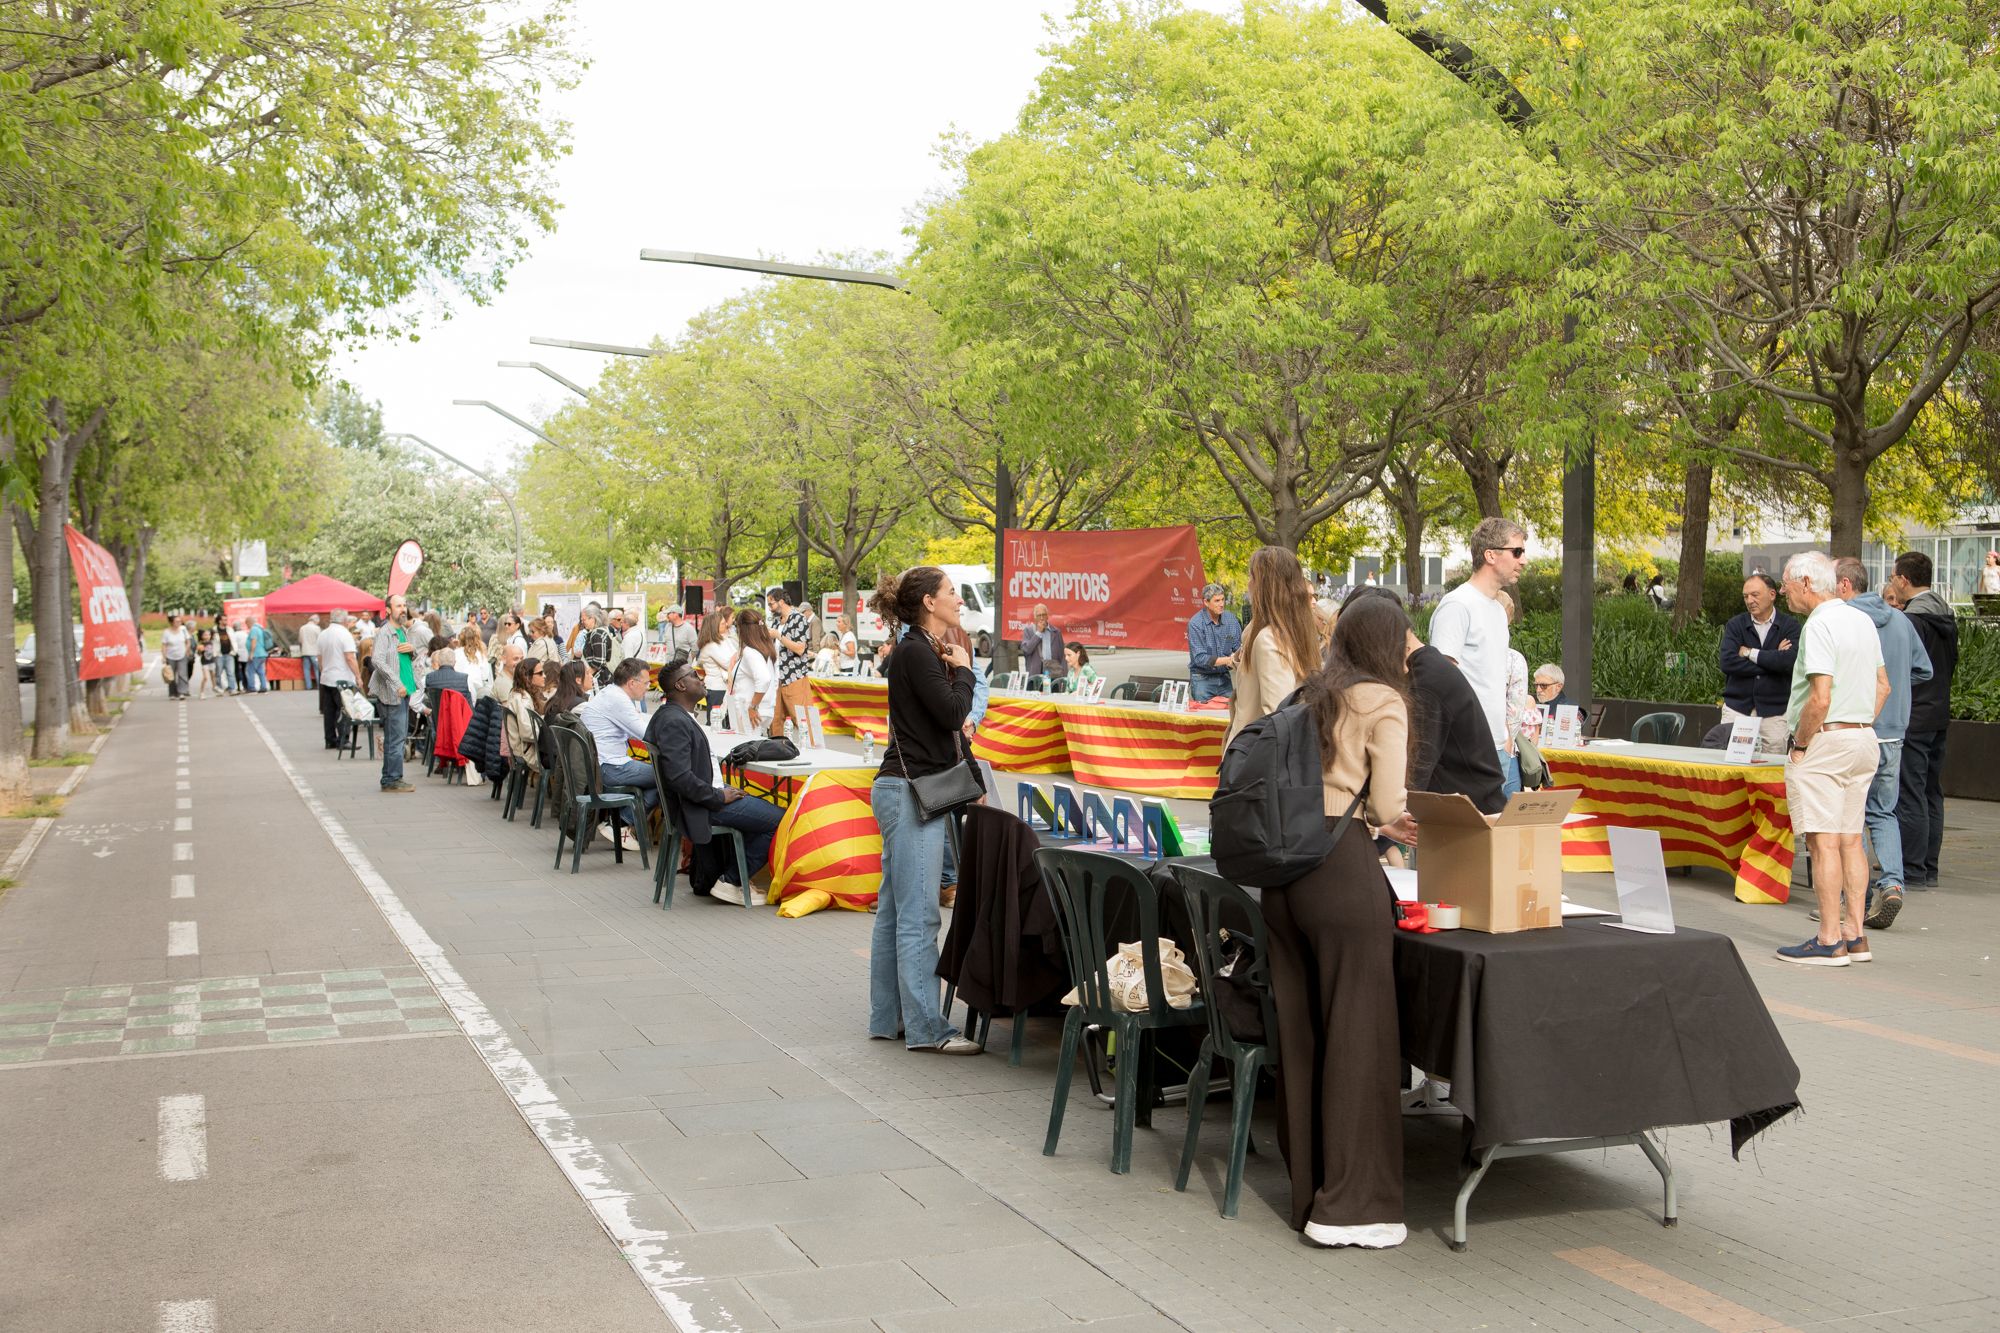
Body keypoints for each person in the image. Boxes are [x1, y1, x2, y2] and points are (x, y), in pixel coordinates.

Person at [1266, 594, 1420, 1250]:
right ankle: (1354, 1207)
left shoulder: (1308, 691)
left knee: (1302, 1034)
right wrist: (1402, 817)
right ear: (1388, 642)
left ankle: (1310, 1193)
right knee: (1361, 1035)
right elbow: (1385, 802)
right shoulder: (1383, 699)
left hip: (1283, 871)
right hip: (1340, 870)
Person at [867, 566, 981, 1056]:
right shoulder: (919, 652)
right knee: (918, 917)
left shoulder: (915, 650)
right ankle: (926, 1027)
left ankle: (889, 1017)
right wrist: (966, 672)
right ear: (930, 603)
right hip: (912, 793)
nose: (958, 601)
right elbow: (954, 716)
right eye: (952, 593)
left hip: (901, 789)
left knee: (895, 910)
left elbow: (945, 732)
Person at [1776, 551, 1889, 967]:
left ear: (1806, 582)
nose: (1784, 589)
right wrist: (1858, 723)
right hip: (1863, 738)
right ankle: (1855, 935)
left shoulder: (1819, 624)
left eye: (1786, 582)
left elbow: (1820, 697)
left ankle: (1828, 940)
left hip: (1827, 741)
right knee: (1851, 839)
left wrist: (1802, 744)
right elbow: (1883, 686)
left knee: (1823, 842)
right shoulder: (1861, 619)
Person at [1834, 557, 1931, 932]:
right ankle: (1891, 884)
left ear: (1844, 585)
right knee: (1884, 813)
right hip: (1894, 730)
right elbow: (1925, 670)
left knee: (1850, 816)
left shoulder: (1843, 620)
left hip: (1855, 728)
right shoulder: (1903, 621)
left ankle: (1848, 900)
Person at [1349, 586, 1505, 814]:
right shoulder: (1423, 671)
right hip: (1455, 816)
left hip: (1470, 821)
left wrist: (1378, 833)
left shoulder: (1426, 684)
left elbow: (1412, 773)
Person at [647, 660, 787, 905]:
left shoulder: (673, 716)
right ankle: (732, 880)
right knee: (781, 820)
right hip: (701, 806)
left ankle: (734, 876)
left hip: (704, 800)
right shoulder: (674, 721)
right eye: (694, 675)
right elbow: (679, 777)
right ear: (680, 685)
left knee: (758, 805)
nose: (701, 679)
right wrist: (718, 797)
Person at [1430, 517, 1527, 796]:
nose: (1523, 560)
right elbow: (1440, 680)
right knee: (1466, 837)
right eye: (1517, 551)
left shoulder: (1497, 610)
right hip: (1465, 748)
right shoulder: (1458, 605)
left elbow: (1493, 681)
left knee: (1493, 836)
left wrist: (1506, 735)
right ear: (1491, 555)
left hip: (1497, 744)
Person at [1886, 551, 1957, 895]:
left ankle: (1912, 869)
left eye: (1892, 577)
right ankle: (1928, 867)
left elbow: (1902, 670)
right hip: (1939, 712)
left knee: (1910, 792)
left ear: (1903, 579)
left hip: (1914, 715)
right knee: (1931, 791)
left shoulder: (1911, 620)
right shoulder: (1946, 614)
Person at [1227, 546, 1320, 744]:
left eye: (1252, 577)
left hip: (1254, 761)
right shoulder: (1294, 632)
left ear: (1264, 586)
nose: (1248, 584)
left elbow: (1278, 714)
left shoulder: (1269, 638)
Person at [574, 658, 657, 852]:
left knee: (664, 773)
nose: (648, 687)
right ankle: (620, 823)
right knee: (669, 776)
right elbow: (647, 735)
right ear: (631, 683)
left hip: (601, 765)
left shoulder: (609, 693)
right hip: (610, 768)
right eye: (646, 683)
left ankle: (620, 821)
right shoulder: (618, 700)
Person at [1718, 573, 1799, 755]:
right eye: (1746, 596)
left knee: (1772, 772)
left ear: (1772, 594)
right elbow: (1728, 663)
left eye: (1755, 594)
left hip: (1775, 713)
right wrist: (1773, 658)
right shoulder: (1735, 625)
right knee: (1733, 768)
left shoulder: (1790, 626)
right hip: (1737, 709)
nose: (1750, 600)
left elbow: (1789, 663)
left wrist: (1749, 653)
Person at [369, 596, 420, 793]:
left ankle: (391, 777)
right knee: (396, 738)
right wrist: (397, 683)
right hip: (394, 693)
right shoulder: (385, 632)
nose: (403, 609)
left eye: (404, 605)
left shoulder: (402, 630)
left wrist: (413, 650)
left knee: (397, 737)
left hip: (405, 690)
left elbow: (405, 657)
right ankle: (392, 779)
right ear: (388, 610)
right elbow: (378, 660)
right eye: (398, 606)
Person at [766, 587, 817, 738]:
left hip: (794, 677)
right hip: (777, 678)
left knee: (802, 720)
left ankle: (814, 751)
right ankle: (776, 750)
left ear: (781, 602)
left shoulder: (799, 619)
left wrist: (779, 636)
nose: (769, 608)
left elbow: (800, 649)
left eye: (771, 604)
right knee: (775, 722)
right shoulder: (776, 621)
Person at [1187, 583, 1243, 703]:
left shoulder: (1231, 620)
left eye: (1223, 599)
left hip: (1224, 678)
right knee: (1203, 718)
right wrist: (1228, 660)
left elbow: (1238, 647)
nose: (1222, 604)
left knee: (1228, 718)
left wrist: (1239, 656)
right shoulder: (1196, 623)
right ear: (1206, 602)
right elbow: (1200, 658)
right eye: (1217, 601)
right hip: (1202, 680)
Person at [729, 606, 778, 735]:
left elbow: (764, 679)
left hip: (751, 713)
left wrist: (753, 707)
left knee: (747, 752)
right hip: (764, 709)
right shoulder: (767, 649)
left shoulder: (750, 652)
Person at [501, 656, 549, 785]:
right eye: (540, 673)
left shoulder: (519, 694)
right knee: (566, 759)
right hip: (528, 754)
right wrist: (547, 731)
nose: (544, 676)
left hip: (523, 750)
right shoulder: (522, 699)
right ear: (527, 677)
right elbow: (528, 732)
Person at [316, 611, 360, 750]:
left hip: (327, 677)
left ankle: (330, 739)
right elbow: (350, 657)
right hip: (342, 677)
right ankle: (343, 739)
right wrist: (358, 676)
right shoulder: (344, 634)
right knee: (344, 709)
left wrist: (324, 671)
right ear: (344, 620)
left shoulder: (323, 634)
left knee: (329, 711)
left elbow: (320, 658)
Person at [696, 610, 735, 720]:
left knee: (726, 724)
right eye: (723, 623)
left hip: (726, 687)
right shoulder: (710, 645)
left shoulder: (723, 640)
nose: (726, 625)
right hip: (717, 689)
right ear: (714, 627)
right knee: (716, 723)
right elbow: (729, 663)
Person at [1020, 603, 1067, 685]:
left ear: (1047, 616)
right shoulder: (1028, 631)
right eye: (1039, 615)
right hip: (1035, 673)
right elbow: (1027, 650)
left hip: (1053, 672)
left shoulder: (1056, 632)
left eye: (1044, 615)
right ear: (1035, 617)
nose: (1041, 618)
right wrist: (1038, 633)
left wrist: (1065, 676)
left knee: (1052, 696)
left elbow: (1062, 656)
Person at [160, 613, 192, 699]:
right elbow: (164, 645)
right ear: (171, 622)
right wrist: (163, 656)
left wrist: (186, 650)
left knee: (182, 674)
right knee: (171, 675)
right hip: (170, 656)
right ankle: (172, 693)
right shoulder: (166, 632)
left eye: (180, 621)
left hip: (182, 655)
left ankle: (182, 692)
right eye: (177, 621)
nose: (179, 623)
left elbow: (188, 641)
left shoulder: (183, 630)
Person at [457, 625, 493, 699]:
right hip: (477, 689)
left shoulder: (456, 653)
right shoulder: (480, 654)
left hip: (459, 688)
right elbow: (485, 675)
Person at [240, 618, 272, 693]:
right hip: (262, 654)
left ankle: (251, 687)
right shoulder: (259, 628)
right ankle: (263, 687)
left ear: (249, 622)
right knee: (260, 671)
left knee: (249, 670)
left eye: (246, 623)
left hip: (256, 654)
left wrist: (251, 654)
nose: (246, 625)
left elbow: (253, 642)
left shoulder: (254, 629)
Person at [297, 614, 321, 689]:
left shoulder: (302, 628)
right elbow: (320, 640)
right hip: (314, 652)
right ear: (316, 620)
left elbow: (300, 640)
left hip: (304, 651)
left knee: (306, 669)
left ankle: (308, 686)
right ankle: (319, 686)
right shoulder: (317, 628)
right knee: (317, 669)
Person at [196, 629, 220, 699]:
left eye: (209, 634)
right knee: (205, 678)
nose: (207, 636)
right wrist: (200, 651)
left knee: (213, 676)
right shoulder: (201, 644)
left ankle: (214, 687)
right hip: (204, 663)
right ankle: (202, 692)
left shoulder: (211, 642)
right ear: (202, 636)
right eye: (205, 635)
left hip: (211, 661)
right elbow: (199, 654)